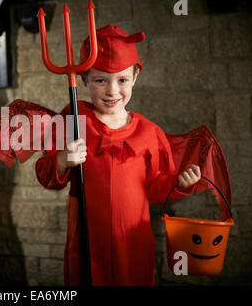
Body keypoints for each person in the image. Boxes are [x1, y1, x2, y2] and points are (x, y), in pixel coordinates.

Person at [34, 25, 202, 285]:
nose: (113, 91)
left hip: (132, 242)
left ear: (135, 77)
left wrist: (179, 183)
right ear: (84, 80)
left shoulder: (149, 133)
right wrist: (61, 160)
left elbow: (155, 188)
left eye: (122, 80)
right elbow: (48, 177)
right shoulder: (73, 119)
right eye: (101, 80)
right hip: (88, 240)